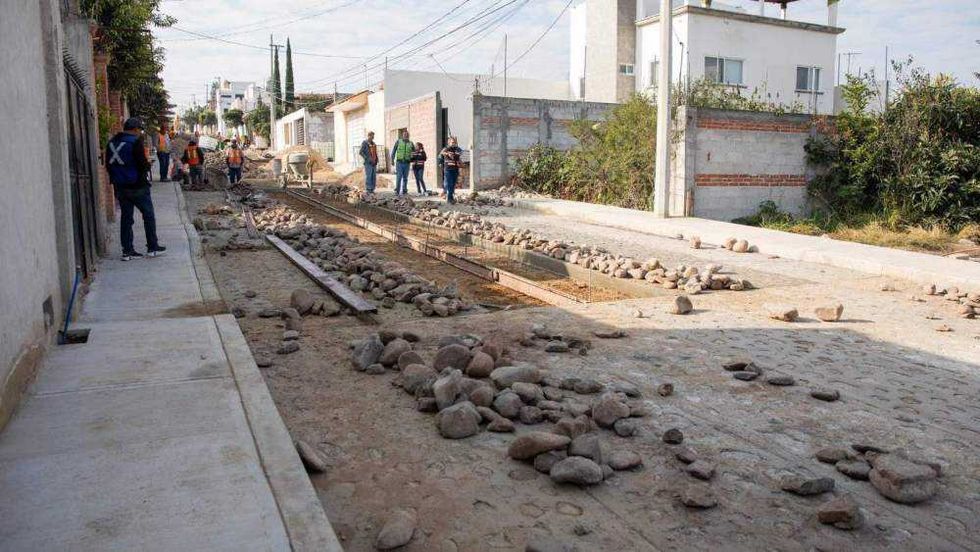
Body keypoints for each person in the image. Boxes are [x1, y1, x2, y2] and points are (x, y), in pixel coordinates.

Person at [105, 117, 166, 260]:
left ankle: (127, 251)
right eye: (139, 130)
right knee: (148, 215)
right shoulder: (135, 142)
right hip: (138, 187)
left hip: (120, 187)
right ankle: (152, 247)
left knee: (126, 218)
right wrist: (148, 166)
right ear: (135, 129)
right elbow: (141, 164)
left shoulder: (112, 143)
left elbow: (108, 165)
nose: (140, 133)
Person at [439, 136, 464, 204]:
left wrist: (456, 151)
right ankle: (449, 198)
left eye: (455, 142)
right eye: (452, 142)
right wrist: (447, 153)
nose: (453, 143)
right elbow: (441, 153)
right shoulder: (446, 149)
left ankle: (451, 196)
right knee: (449, 184)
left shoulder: (457, 149)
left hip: (455, 169)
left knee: (453, 184)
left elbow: (461, 152)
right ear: (449, 143)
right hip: (448, 169)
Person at [390, 130, 414, 196]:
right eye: (404, 135)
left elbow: (414, 152)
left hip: (407, 163)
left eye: (407, 135)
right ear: (402, 135)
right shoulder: (398, 142)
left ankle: (404, 190)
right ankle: (397, 191)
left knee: (405, 178)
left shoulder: (411, 143)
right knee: (399, 177)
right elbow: (394, 151)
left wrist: (413, 159)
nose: (406, 136)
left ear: (408, 136)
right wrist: (392, 159)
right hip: (399, 162)